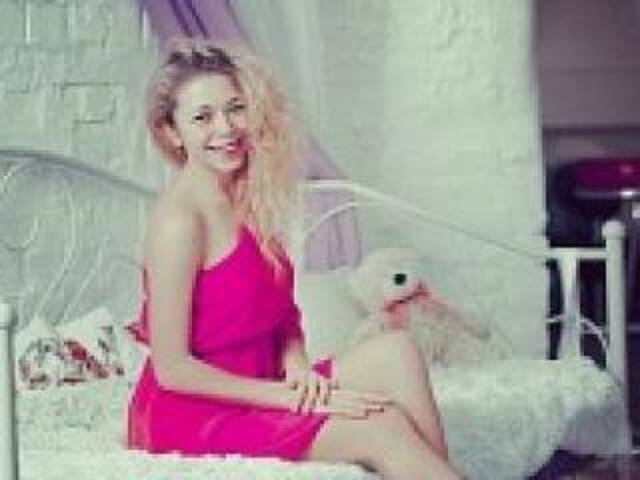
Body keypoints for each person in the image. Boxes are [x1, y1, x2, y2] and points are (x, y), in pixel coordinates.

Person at [126, 37, 463, 480]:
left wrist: (298, 368)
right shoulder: (179, 221)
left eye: (235, 108)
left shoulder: (251, 197)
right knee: (382, 425)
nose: (226, 128)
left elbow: (281, 315)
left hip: (266, 380)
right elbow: (173, 370)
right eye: (202, 117)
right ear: (172, 132)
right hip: (195, 414)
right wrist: (287, 398)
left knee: (398, 352)